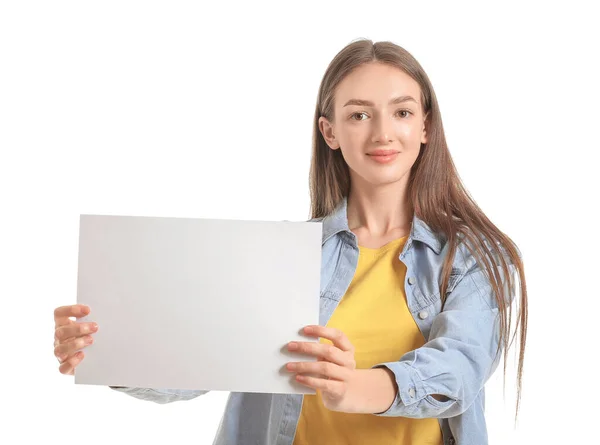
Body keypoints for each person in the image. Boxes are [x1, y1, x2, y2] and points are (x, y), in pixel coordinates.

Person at [53, 38, 527, 445]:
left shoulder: (475, 257)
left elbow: (459, 372)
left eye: (401, 111)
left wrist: (355, 386)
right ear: (330, 132)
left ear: (424, 126)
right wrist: (109, 350)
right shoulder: (281, 257)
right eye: (359, 114)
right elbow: (202, 362)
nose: (383, 132)